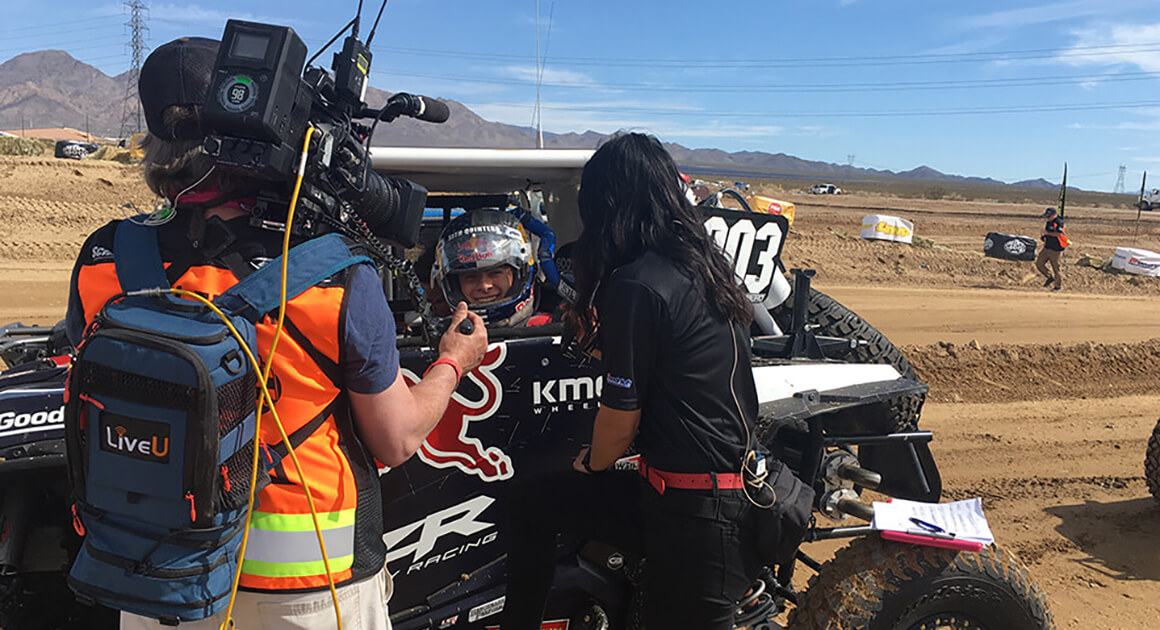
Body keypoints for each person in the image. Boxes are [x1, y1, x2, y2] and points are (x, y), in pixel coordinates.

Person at [65, 36, 488, 630]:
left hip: (156, 578)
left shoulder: (103, 258)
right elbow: (394, 440)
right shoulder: (334, 273)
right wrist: (451, 363)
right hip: (309, 587)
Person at [501, 133, 765, 629]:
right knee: (535, 502)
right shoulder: (703, 267)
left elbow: (620, 422)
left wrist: (594, 462)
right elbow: (674, 364)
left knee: (535, 500)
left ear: (607, 205)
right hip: (717, 493)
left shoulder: (637, 282)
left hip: (695, 512)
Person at [432, 208, 549, 327]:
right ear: (454, 284)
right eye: (470, 277)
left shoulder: (550, 326)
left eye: (495, 273)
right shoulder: (437, 334)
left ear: (519, 274)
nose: (484, 286)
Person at [1035, 206, 1067, 291]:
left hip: (1056, 250)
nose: (1047, 218)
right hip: (1047, 247)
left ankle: (1058, 286)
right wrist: (1043, 236)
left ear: (1054, 215)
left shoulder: (1059, 222)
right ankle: (1050, 277)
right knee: (1039, 263)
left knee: (1056, 268)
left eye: (1049, 216)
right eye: (1046, 216)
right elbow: (1046, 233)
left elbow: (1059, 234)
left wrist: (1048, 233)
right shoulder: (1048, 223)